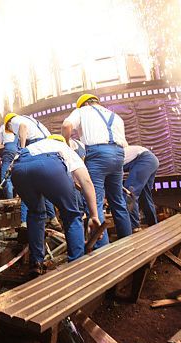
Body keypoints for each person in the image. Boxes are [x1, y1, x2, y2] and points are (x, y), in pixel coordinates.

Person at [11, 134, 100, 273]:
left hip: (19, 168)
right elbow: (86, 181)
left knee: (35, 213)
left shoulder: (35, 145)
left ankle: (36, 263)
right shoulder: (65, 148)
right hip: (49, 166)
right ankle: (77, 266)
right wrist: (94, 215)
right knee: (71, 215)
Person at [62, 94, 132, 249]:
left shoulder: (83, 111)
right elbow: (125, 144)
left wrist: (66, 146)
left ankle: (103, 251)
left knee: (95, 203)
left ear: (85, 104)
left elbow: (66, 125)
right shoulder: (116, 116)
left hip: (98, 155)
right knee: (118, 201)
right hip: (118, 154)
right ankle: (128, 244)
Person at [3, 113, 60, 229]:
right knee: (43, 187)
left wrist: (22, 150)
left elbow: (22, 127)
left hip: (35, 146)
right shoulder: (34, 121)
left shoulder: (14, 121)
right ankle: (53, 219)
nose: (14, 133)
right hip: (47, 146)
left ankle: (24, 223)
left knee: (27, 185)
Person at [123, 145, 159, 231]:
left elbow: (116, 179)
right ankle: (154, 226)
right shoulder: (114, 152)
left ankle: (135, 227)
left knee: (129, 193)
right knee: (145, 196)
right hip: (152, 160)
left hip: (144, 159)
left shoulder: (108, 159)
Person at [0, 124, 17, 199]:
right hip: (18, 150)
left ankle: (9, 201)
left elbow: (1, 141)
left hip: (9, 149)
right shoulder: (17, 125)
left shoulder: (2, 126)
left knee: (6, 177)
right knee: (16, 175)